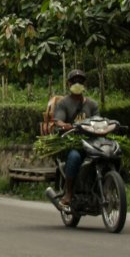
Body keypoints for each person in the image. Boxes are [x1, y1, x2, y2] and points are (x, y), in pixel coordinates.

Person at [49, 68, 98, 210]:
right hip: (72, 143)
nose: (78, 83)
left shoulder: (92, 104)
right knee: (75, 157)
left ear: (85, 84)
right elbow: (58, 121)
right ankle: (69, 192)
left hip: (90, 143)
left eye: (81, 81)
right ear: (69, 84)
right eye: (74, 81)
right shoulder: (63, 103)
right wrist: (67, 126)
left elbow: (98, 120)